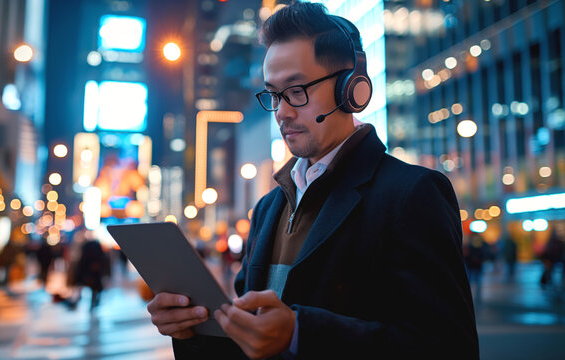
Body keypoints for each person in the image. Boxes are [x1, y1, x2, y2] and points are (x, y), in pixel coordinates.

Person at [147, 2, 478, 358]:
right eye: (274, 95)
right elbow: (248, 345)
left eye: (297, 90)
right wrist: (190, 331)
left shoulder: (412, 193)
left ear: (351, 89)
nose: (282, 112)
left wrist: (301, 334)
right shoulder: (268, 207)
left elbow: (448, 346)